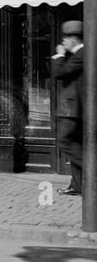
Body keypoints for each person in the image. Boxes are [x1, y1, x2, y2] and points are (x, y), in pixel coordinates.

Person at [50, 20, 85, 196]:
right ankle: (77, 185)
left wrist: (59, 56)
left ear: (74, 39)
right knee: (76, 143)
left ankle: (90, 168)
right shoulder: (78, 55)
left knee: (64, 141)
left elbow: (59, 73)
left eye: (65, 38)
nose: (63, 42)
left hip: (73, 109)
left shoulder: (81, 54)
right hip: (73, 108)